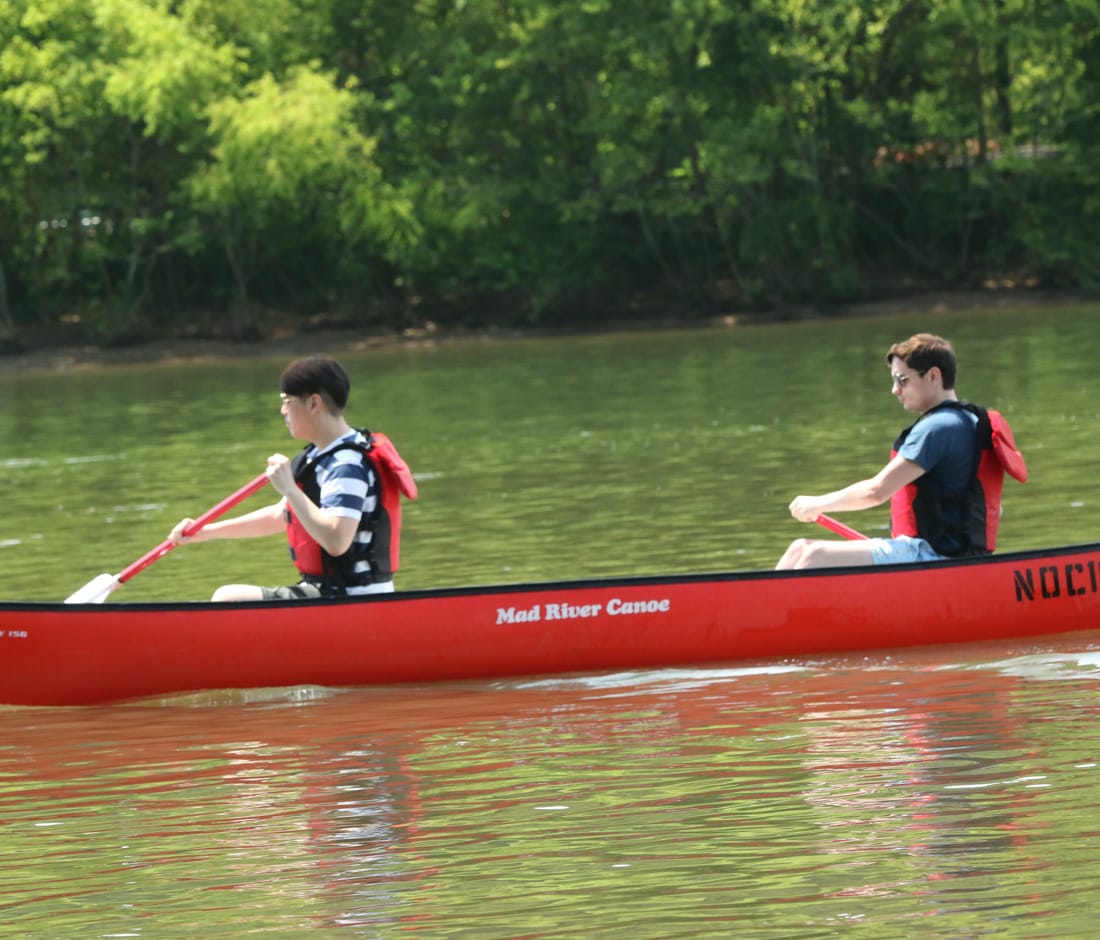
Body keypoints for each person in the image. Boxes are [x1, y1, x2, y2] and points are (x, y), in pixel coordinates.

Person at [169, 355, 417, 600]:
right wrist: (206, 532)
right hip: (330, 593)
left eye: (288, 402)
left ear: (313, 404)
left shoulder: (346, 465)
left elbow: (337, 541)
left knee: (228, 597)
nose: (283, 411)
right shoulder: (320, 455)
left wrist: (290, 488)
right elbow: (282, 516)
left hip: (351, 596)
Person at [775, 333, 1026, 570]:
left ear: (933, 376)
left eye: (902, 379)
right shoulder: (972, 422)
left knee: (812, 556)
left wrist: (817, 503)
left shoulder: (937, 428)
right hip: (951, 556)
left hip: (931, 556)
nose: (895, 390)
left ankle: (772, 616)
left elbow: (876, 492)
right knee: (799, 549)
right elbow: (995, 510)